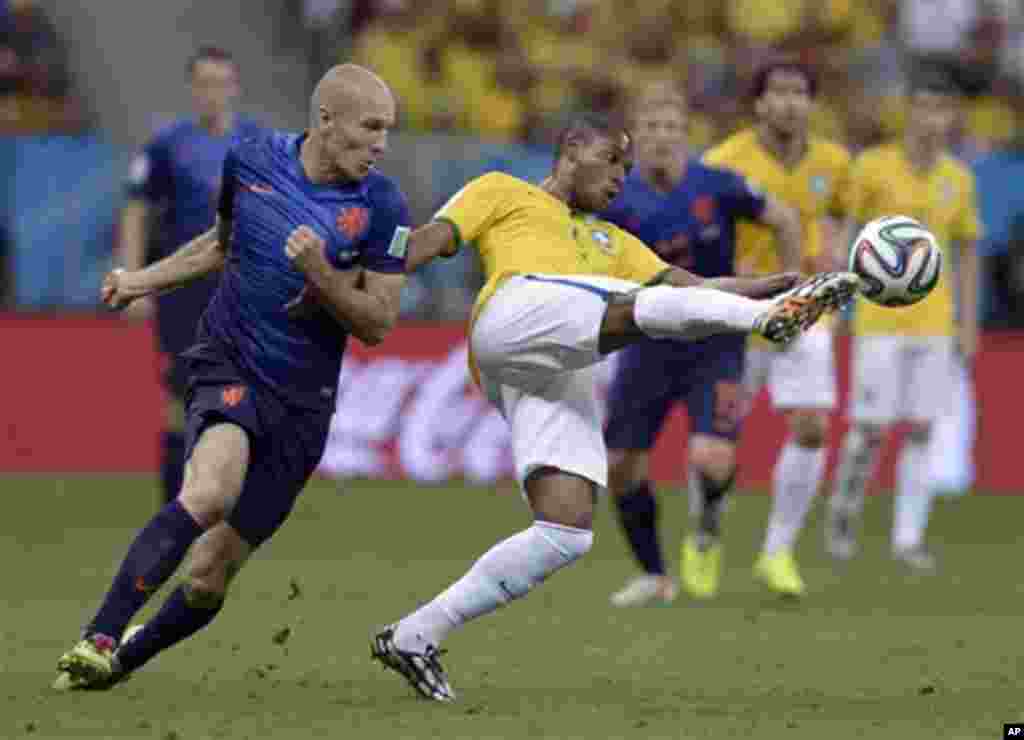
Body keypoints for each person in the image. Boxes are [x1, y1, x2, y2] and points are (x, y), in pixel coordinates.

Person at [370, 111, 859, 701]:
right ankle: (769, 324)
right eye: (612, 162)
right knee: (638, 306)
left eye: (627, 170)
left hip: (549, 362)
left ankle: (416, 635)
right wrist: (366, 273)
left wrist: (786, 282)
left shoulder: (613, 241)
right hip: (512, 312)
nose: (621, 178)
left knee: (566, 530)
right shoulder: (503, 190)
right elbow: (429, 241)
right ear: (573, 149)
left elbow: (696, 293)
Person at [53, 64, 410, 690]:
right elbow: (219, 244)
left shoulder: (382, 205)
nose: (381, 143)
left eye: (389, 130)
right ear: (326, 121)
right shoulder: (250, 163)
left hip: (305, 401)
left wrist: (323, 275)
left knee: (209, 574)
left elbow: (377, 323)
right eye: (371, 127)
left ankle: (116, 664)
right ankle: (100, 632)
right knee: (210, 490)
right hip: (231, 358)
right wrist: (140, 279)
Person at [598, 83, 803, 608]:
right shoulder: (615, 197)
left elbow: (783, 216)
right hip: (646, 342)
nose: (662, 137)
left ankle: (707, 525)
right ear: (634, 138)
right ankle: (654, 575)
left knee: (711, 457)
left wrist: (793, 282)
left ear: (685, 136)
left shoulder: (718, 184)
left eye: (671, 128)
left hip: (716, 341)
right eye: (651, 128)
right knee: (621, 464)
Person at [702, 61, 852, 598]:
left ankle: (777, 552)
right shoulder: (723, 162)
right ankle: (706, 534)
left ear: (811, 103)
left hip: (808, 310)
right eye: (778, 92)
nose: (789, 102)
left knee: (812, 426)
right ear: (758, 103)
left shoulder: (835, 163)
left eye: (799, 92)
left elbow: (840, 219)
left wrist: (836, 255)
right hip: (740, 312)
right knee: (717, 436)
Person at [826, 77, 981, 570]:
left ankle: (907, 540)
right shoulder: (872, 167)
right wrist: (838, 299)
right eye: (924, 107)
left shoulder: (959, 178)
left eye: (941, 109)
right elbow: (843, 232)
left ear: (951, 118)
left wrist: (968, 321)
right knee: (868, 429)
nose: (931, 118)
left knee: (921, 430)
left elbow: (967, 251)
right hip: (879, 320)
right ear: (908, 112)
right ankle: (843, 516)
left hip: (935, 324)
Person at [121, 46, 263, 506]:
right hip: (184, 289)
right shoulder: (167, 145)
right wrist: (136, 277)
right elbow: (137, 206)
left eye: (220, 83)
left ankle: (232, 495)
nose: (212, 93)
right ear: (192, 88)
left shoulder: (255, 143)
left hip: (239, 291)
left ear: (235, 87)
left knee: (242, 393)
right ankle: (172, 503)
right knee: (180, 397)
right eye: (204, 83)